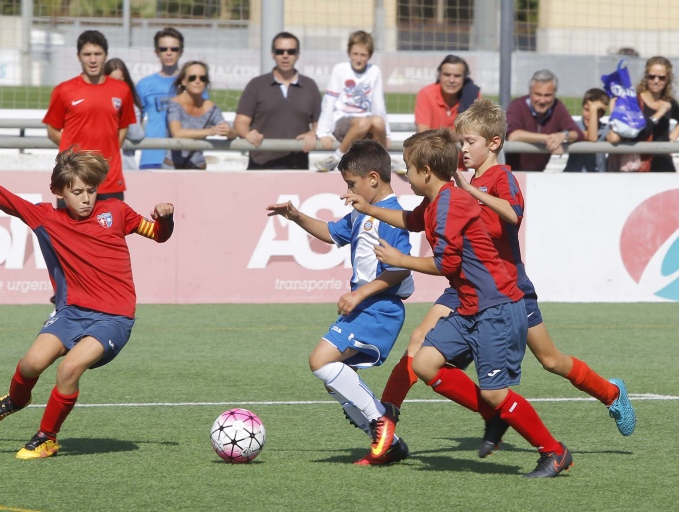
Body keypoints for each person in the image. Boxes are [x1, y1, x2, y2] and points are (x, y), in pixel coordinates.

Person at [374, 98, 635, 461]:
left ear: (493, 143)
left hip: (508, 289)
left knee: (551, 360)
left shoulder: (500, 178)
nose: (463, 150)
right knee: (419, 342)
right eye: (461, 142)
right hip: (467, 286)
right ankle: (387, 418)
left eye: (470, 142)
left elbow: (513, 215)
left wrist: (472, 192)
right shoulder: (460, 182)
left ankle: (610, 393)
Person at [344, 127, 573, 478]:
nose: (405, 175)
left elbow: (445, 265)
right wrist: (368, 207)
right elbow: (409, 220)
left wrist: (401, 260)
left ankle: (554, 452)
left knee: (497, 394)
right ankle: (492, 416)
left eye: (407, 167)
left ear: (426, 172)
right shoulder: (437, 200)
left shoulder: (450, 204)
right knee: (425, 364)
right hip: (470, 306)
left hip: (496, 307)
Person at [0, 143, 174, 459]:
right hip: (72, 312)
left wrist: (165, 219)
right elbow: (1, 195)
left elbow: (158, 234)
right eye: (77, 192)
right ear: (58, 191)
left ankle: (47, 438)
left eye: (90, 190)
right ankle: (17, 400)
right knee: (32, 363)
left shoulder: (117, 212)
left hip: (114, 317)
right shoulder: (45, 217)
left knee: (70, 369)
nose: (86, 198)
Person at [266, 139, 413, 465]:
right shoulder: (363, 212)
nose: (347, 190)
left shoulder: (391, 216)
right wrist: (296, 216)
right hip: (366, 308)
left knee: (321, 361)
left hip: (380, 308)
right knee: (334, 376)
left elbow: (401, 268)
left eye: (351, 183)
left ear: (373, 179)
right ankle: (392, 443)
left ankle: (380, 419)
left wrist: (359, 292)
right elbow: (332, 232)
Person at [43, 30, 135, 199]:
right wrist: (76, 154)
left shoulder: (122, 90)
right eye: (87, 54)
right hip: (74, 182)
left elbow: (123, 127)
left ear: (105, 55)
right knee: (70, 227)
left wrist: (109, 153)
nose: (92, 59)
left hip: (109, 180)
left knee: (113, 226)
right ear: (79, 56)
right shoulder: (64, 90)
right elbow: (52, 130)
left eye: (97, 54)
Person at [235, 32, 321, 170]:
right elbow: (240, 122)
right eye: (280, 51)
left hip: (297, 164)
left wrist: (313, 133)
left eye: (291, 51)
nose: (285, 55)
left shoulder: (310, 86)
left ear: (297, 55)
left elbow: (320, 123)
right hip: (261, 164)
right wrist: (247, 134)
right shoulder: (256, 85)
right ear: (273, 54)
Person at [315, 31, 391, 172]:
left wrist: (387, 134)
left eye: (363, 55)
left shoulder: (374, 71)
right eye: (355, 54)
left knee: (378, 121)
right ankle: (337, 158)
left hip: (366, 123)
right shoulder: (340, 70)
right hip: (343, 121)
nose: (359, 59)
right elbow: (329, 101)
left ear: (369, 56)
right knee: (363, 122)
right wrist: (322, 132)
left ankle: (384, 161)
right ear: (349, 53)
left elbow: (379, 104)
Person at [136, 27, 199, 170]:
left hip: (185, 157)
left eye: (174, 49)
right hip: (152, 156)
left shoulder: (194, 83)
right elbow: (135, 121)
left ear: (181, 52)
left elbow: (203, 117)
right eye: (164, 49)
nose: (169, 53)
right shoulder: (144, 84)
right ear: (156, 52)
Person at [608, 56, 679, 172]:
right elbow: (636, 134)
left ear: (667, 80)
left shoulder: (670, 102)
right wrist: (658, 114)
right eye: (652, 76)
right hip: (639, 164)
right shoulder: (635, 101)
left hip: (663, 163)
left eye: (661, 78)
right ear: (646, 76)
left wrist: (672, 138)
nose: (656, 81)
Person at [506, 69, 584, 171]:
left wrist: (562, 136)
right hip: (509, 175)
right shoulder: (517, 105)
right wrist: (548, 139)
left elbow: (577, 133)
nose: (542, 100)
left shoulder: (558, 107)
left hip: (536, 176)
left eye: (547, 95)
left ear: (555, 94)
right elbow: (513, 135)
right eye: (537, 94)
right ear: (530, 92)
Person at [167, 61, 235, 169]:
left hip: (198, 167)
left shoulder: (211, 108)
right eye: (192, 78)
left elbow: (229, 131)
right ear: (184, 81)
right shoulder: (174, 104)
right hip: (172, 167)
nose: (197, 81)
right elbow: (177, 133)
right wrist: (210, 131)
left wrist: (228, 131)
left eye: (202, 78)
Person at [413, 54, 481, 132]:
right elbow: (423, 133)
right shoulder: (426, 94)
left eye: (457, 76)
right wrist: (458, 134)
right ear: (439, 76)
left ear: (464, 78)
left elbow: (474, 132)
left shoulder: (472, 95)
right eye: (447, 75)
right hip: (431, 144)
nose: (451, 80)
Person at [104, 58, 145, 171]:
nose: (116, 86)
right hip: (98, 167)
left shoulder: (131, 105)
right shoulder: (96, 103)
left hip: (124, 167)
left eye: (120, 81)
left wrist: (124, 107)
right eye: (112, 81)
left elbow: (136, 134)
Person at [563, 88, 610, 172]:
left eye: (596, 111)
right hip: (573, 177)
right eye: (587, 110)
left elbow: (615, 136)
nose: (589, 115)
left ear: (602, 114)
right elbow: (588, 136)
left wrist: (613, 108)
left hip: (598, 178)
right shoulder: (574, 125)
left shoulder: (605, 128)